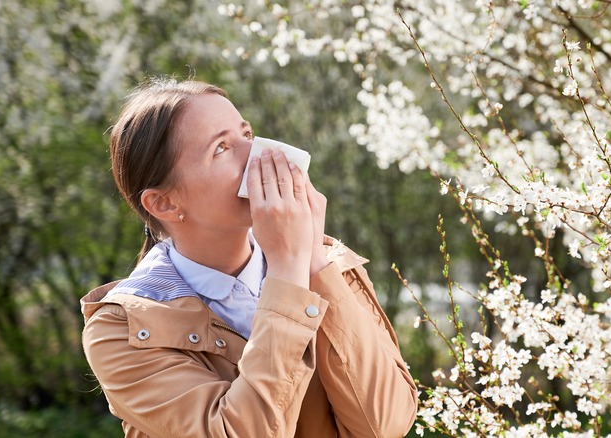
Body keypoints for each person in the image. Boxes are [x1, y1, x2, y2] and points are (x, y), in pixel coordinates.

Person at [80, 78, 418, 437]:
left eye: (247, 134)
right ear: (164, 203)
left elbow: (385, 423)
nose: (258, 156)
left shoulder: (331, 265)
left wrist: (313, 262)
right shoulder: (121, 330)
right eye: (222, 147)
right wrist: (288, 272)